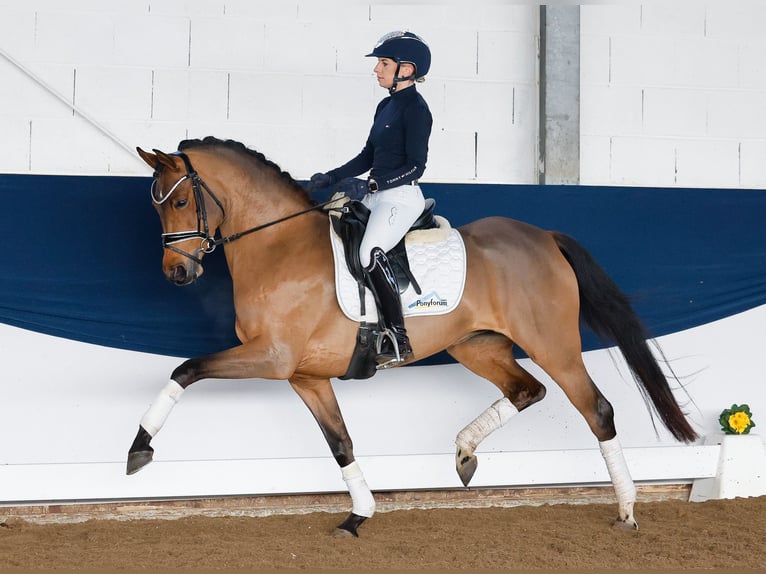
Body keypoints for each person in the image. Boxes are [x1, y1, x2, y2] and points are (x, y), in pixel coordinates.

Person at [310, 31, 433, 367]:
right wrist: (332, 176)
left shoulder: (417, 110)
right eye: (379, 63)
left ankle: (397, 335)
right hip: (376, 194)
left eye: (384, 63)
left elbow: (415, 166)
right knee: (329, 227)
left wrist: (372, 186)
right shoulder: (386, 105)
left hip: (400, 198)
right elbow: (368, 155)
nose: (377, 70)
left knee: (369, 251)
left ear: (405, 70)